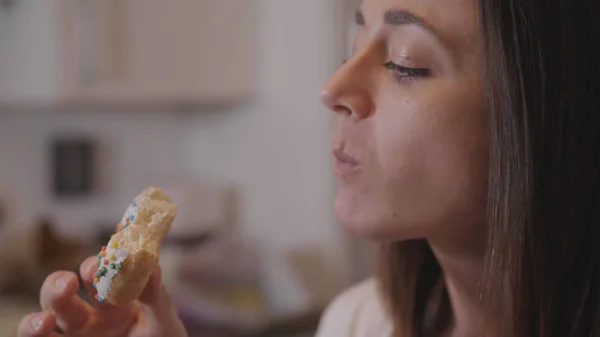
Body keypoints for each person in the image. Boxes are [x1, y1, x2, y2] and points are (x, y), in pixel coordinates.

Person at [17, 0, 600, 335]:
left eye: (406, 63)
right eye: (354, 42)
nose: (333, 87)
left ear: (546, 117)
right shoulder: (357, 323)